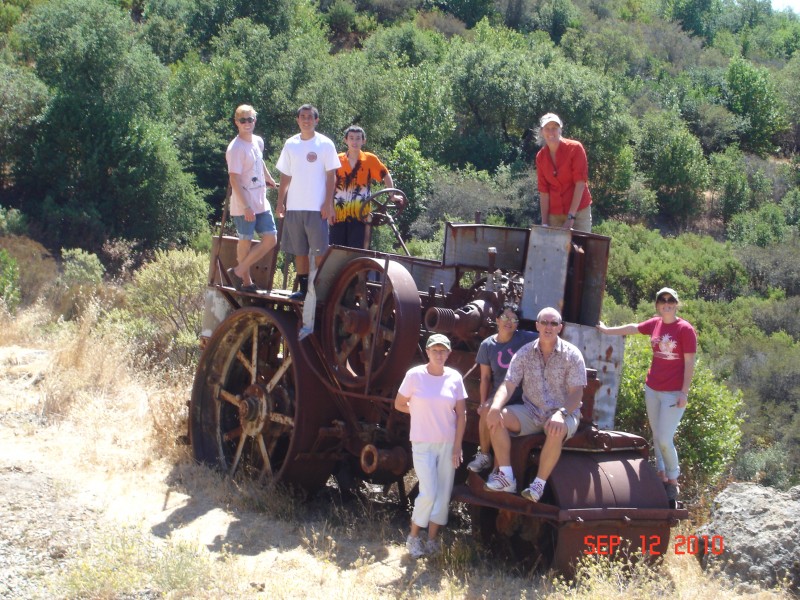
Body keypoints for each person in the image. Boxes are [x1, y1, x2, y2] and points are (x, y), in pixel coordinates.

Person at [596, 287, 697, 502]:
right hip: (653, 389)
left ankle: (673, 479)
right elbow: (633, 328)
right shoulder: (655, 323)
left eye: (671, 300)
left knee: (664, 438)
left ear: (676, 303)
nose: (666, 303)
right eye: (662, 300)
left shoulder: (685, 329)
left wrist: (684, 393)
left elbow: (689, 363)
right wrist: (607, 330)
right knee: (656, 433)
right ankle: (661, 473)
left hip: (673, 394)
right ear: (658, 304)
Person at [484, 307, 586, 503]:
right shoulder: (524, 353)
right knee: (497, 417)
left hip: (564, 413)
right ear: (537, 325)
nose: (548, 327)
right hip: (532, 412)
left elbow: (577, 393)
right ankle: (506, 476)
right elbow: (509, 384)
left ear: (560, 328)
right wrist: (495, 407)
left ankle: (538, 485)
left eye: (553, 323)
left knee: (557, 429)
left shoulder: (572, 355)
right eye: (544, 323)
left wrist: (561, 414)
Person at [394, 334, 467, 559]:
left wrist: (457, 446)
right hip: (422, 442)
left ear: (448, 353)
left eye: (443, 351)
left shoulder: (454, 377)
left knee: (443, 494)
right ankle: (413, 537)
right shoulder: (414, 375)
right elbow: (399, 404)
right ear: (427, 352)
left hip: (447, 444)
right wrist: (418, 411)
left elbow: (462, 415)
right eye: (435, 350)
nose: (439, 354)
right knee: (428, 491)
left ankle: (432, 540)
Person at [276, 104, 341, 302]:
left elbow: (332, 177)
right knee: (300, 251)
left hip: (316, 207)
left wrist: (327, 204)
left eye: (310, 117)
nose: (306, 120)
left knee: (320, 251)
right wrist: (280, 202)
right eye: (302, 117)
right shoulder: (290, 144)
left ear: (316, 120)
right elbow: (285, 175)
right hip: (295, 207)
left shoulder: (325, 144)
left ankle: (319, 291)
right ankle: (304, 290)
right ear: (297, 120)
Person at [467, 303, 538, 473]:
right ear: (497, 320)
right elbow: (485, 378)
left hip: (522, 396)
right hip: (500, 394)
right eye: (505, 317)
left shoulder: (525, 338)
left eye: (514, 319)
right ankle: (484, 456)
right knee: (486, 410)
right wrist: (482, 403)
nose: (509, 322)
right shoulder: (487, 345)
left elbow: (545, 336)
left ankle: (499, 470)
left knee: (499, 419)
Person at [225, 104, 278, 292]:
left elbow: (259, 160)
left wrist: (269, 178)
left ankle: (237, 271)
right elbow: (234, 178)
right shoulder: (235, 148)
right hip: (244, 203)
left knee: (271, 239)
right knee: (245, 240)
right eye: (243, 120)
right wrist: (246, 206)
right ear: (236, 122)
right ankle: (246, 281)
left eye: (250, 119)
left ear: (255, 120)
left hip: (261, 200)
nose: (247, 123)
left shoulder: (258, 141)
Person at [331, 126, 402, 249]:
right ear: (345, 140)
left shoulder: (370, 159)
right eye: (351, 138)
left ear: (363, 141)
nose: (355, 142)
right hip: (338, 215)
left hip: (360, 216)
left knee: (356, 252)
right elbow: (329, 185)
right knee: (335, 250)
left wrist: (392, 195)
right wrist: (329, 208)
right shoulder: (337, 160)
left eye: (358, 138)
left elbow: (385, 174)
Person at [535, 113, 592, 232]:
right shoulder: (540, 157)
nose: (551, 132)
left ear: (560, 129)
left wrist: (571, 217)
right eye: (547, 128)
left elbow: (580, 184)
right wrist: (544, 224)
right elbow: (544, 192)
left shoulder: (575, 148)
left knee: (582, 249)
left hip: (579, 212)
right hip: (555, 215)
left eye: (554, 128)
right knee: (553, 249)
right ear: (542, 132)